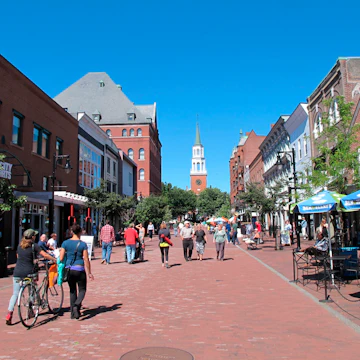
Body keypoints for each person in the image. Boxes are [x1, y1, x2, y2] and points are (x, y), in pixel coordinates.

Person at [5, 229, 56, 325]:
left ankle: (9, 313)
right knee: (32, 290)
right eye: (34, 236)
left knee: (15, 294)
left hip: (17, 272)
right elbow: (44, 254)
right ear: (32, 237)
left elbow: (18, 256)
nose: (35, 237)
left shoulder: (20, 246)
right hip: (29, 272)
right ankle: (31, 309)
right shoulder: (34, 246)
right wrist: (54, 259)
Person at [60, 224, 94, 320]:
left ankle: (73, 313)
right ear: (80, 232)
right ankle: (76, 305)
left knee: (72, 291)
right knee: (82, 290)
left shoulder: (65, 243)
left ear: (71, 232)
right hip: (79, 269)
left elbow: (61, 257)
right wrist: (89, 272)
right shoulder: (83, 244)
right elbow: (86, 259)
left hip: (69, 269)